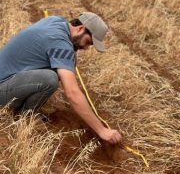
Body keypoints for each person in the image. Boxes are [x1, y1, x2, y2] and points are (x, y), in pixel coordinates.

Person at [0, 12, 122, 144]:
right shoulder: (60, 43)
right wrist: (102, 130)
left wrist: (71, 58)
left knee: (64, 66)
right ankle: (24, 116)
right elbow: (72, 93)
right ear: (80, 29)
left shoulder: (56, 21)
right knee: (50, 79)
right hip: (2, 89)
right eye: (88, 42)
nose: (86, 48)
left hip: (7, 76)